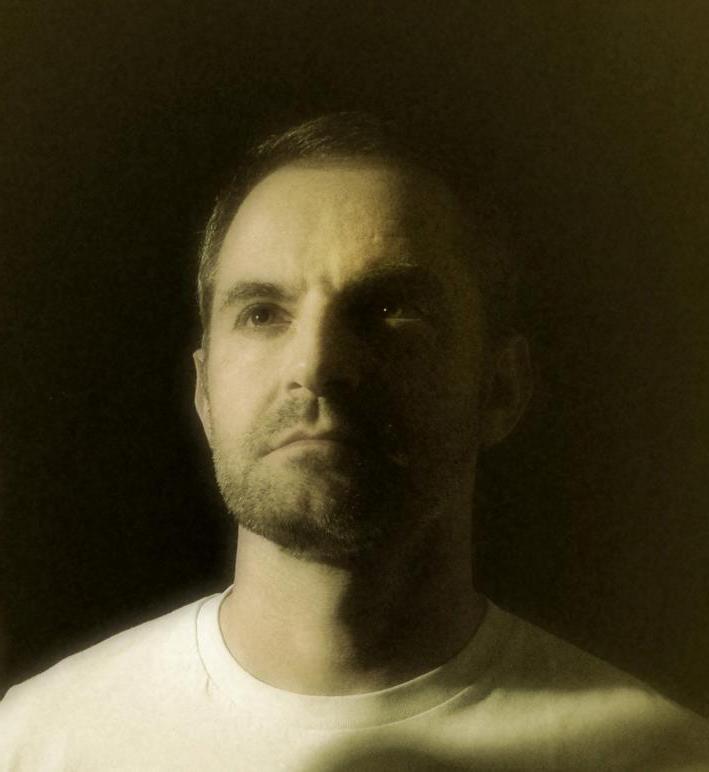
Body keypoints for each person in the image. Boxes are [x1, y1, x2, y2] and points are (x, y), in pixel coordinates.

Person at [1, 113, 707, 771]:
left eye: (391, 309)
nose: (315, 365)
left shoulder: (661, 758)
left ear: (500, 389)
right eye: (262, 313)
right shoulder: (36, 743)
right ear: (205, 393)